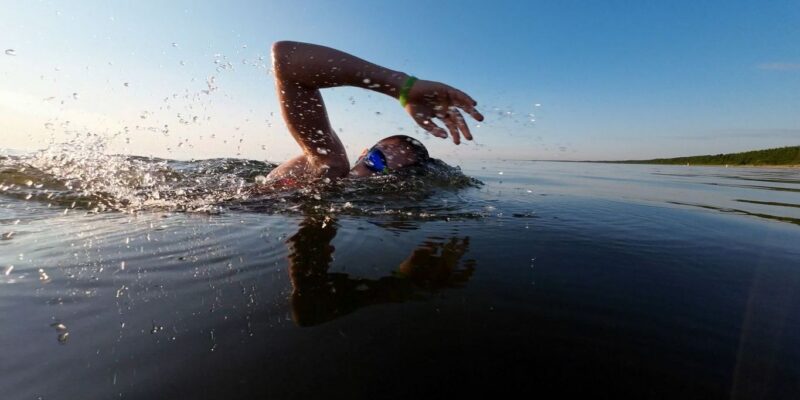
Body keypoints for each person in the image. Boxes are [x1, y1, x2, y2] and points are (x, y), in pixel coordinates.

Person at [266, 41, 484, 183]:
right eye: (377, 162)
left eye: (390, 174)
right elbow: (287, 58)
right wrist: (401, 87)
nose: (375, 176)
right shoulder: (328, 166)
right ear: (363, 155)